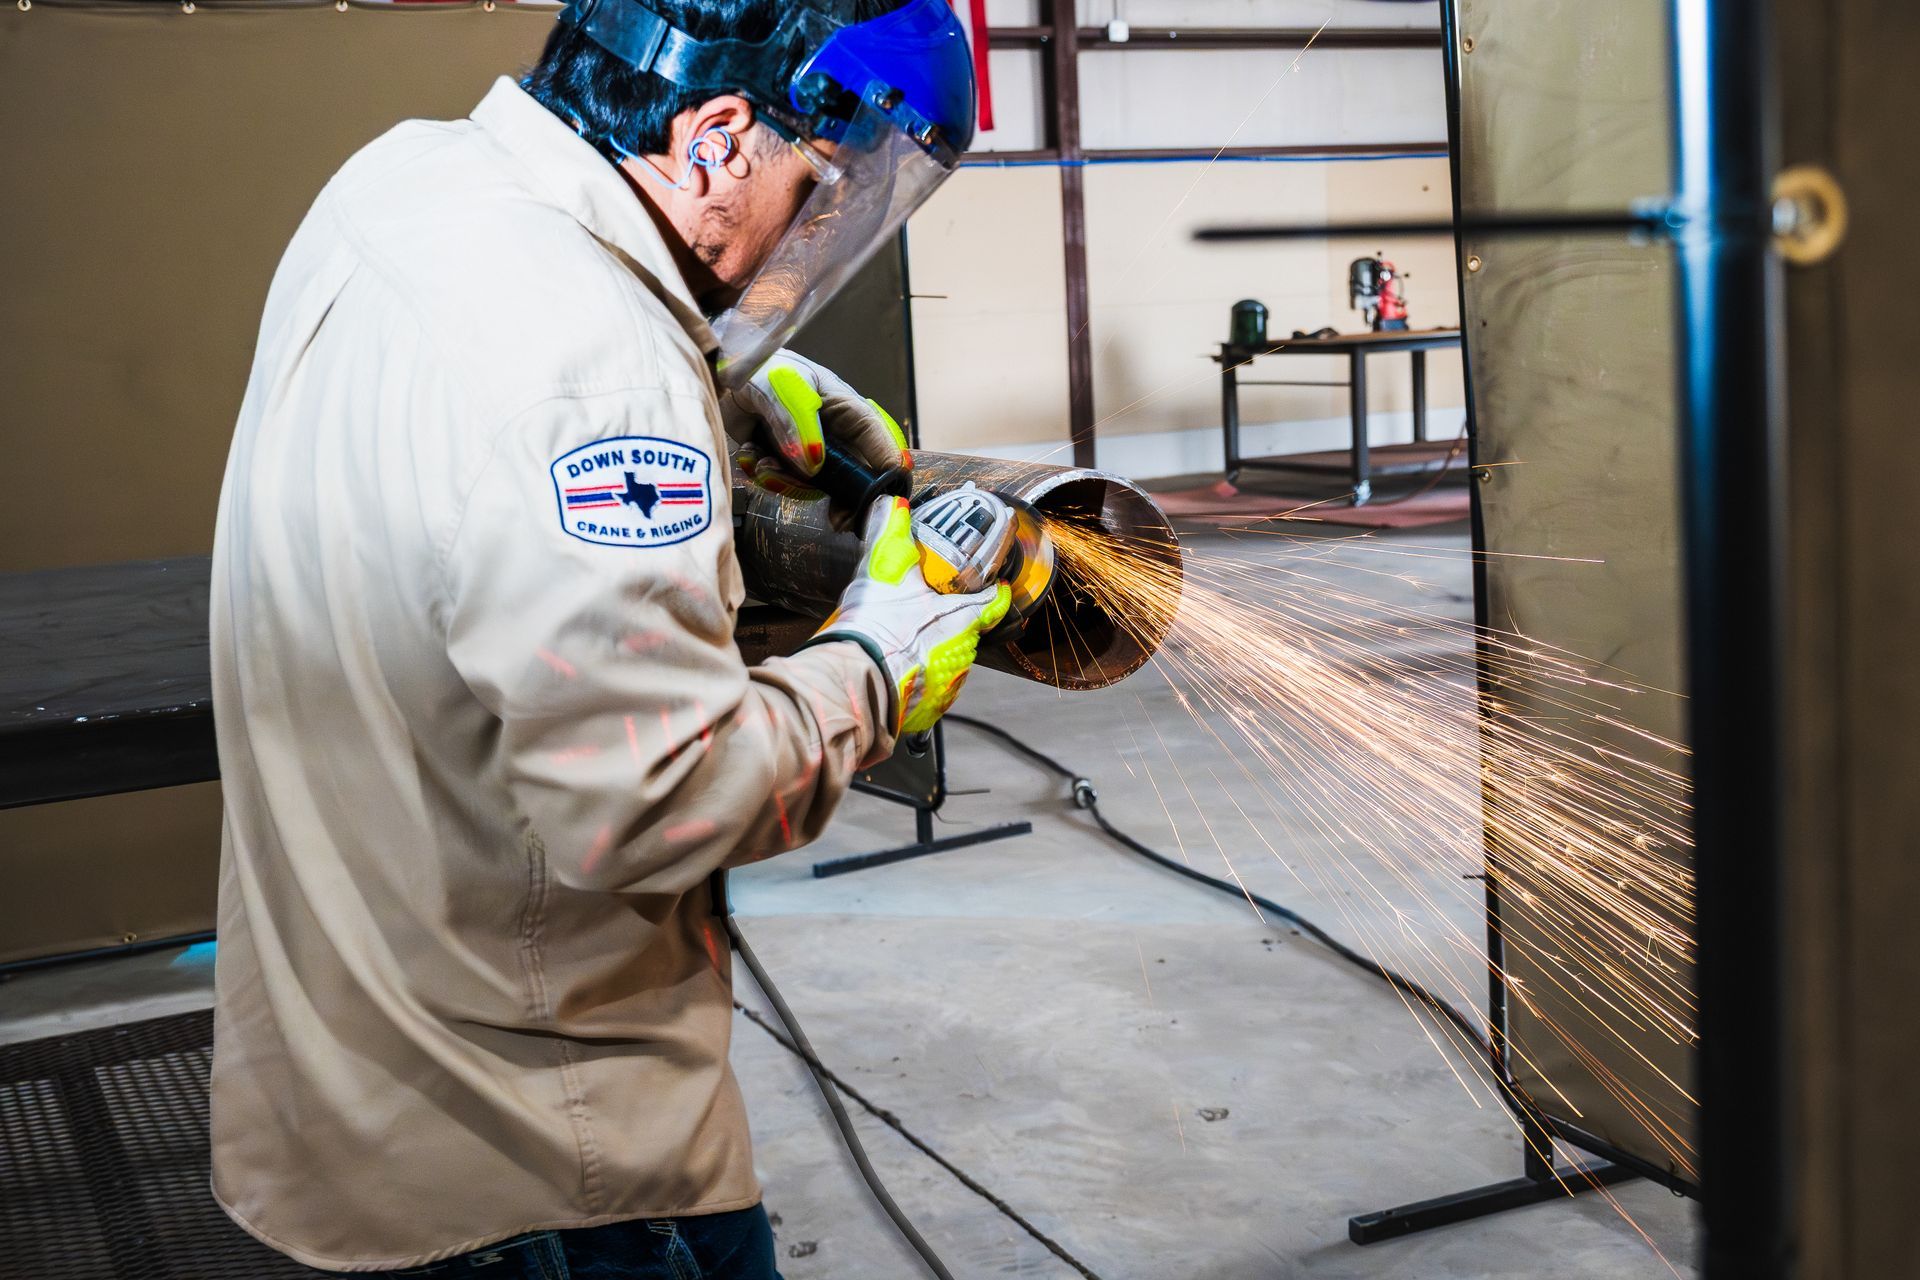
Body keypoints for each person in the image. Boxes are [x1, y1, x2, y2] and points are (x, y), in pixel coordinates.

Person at [207, 1, 990, 1275]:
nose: (808, 237)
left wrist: (718, 380)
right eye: (818, 187)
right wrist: (886, 655)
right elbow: (664, 800)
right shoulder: (595, 372)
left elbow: (480, 445)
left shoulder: (400, 180)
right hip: (540, 1168)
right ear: (721, 137)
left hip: (346, 1080)